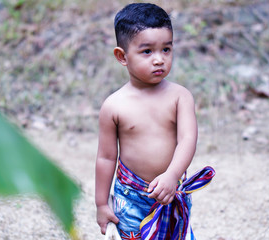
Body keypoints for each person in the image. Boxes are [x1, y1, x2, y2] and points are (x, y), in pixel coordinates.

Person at [95, 3, 209, 239]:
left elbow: (187, 140)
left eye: (166, 49)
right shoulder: (114, 105)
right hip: (131, 197)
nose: (159, 59)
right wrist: (101, 204)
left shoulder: (180, 97)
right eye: (147, 51)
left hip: (171, 190)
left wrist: (171, 175)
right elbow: (106, 157)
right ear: (122, 56)